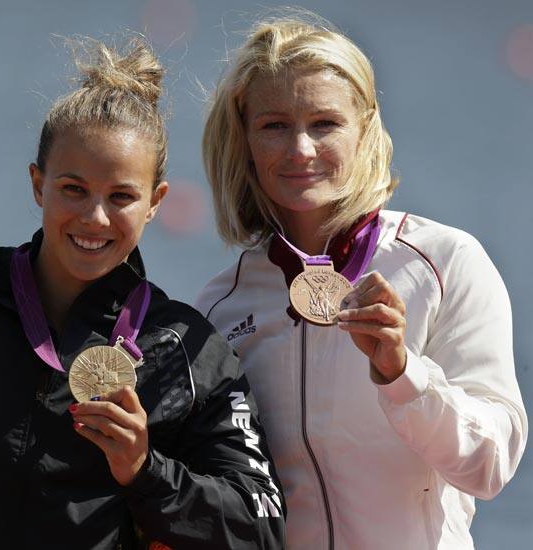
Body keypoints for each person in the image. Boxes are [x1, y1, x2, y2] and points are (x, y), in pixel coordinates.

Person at [0, 37, 286, 549]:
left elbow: (262, 526)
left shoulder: (184, 349)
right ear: (37, 184)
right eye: (73, 189)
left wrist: (145, 470)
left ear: (156, 203)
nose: (94, 218)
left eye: (121, 197)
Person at [196, 13, 527, 550]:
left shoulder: (446, 263)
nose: (300, 149)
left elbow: (490, 467)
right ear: (246, 138)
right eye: (275, 125)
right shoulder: (219, 307)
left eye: (325, 123)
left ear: (366, 128)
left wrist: (403, 374)